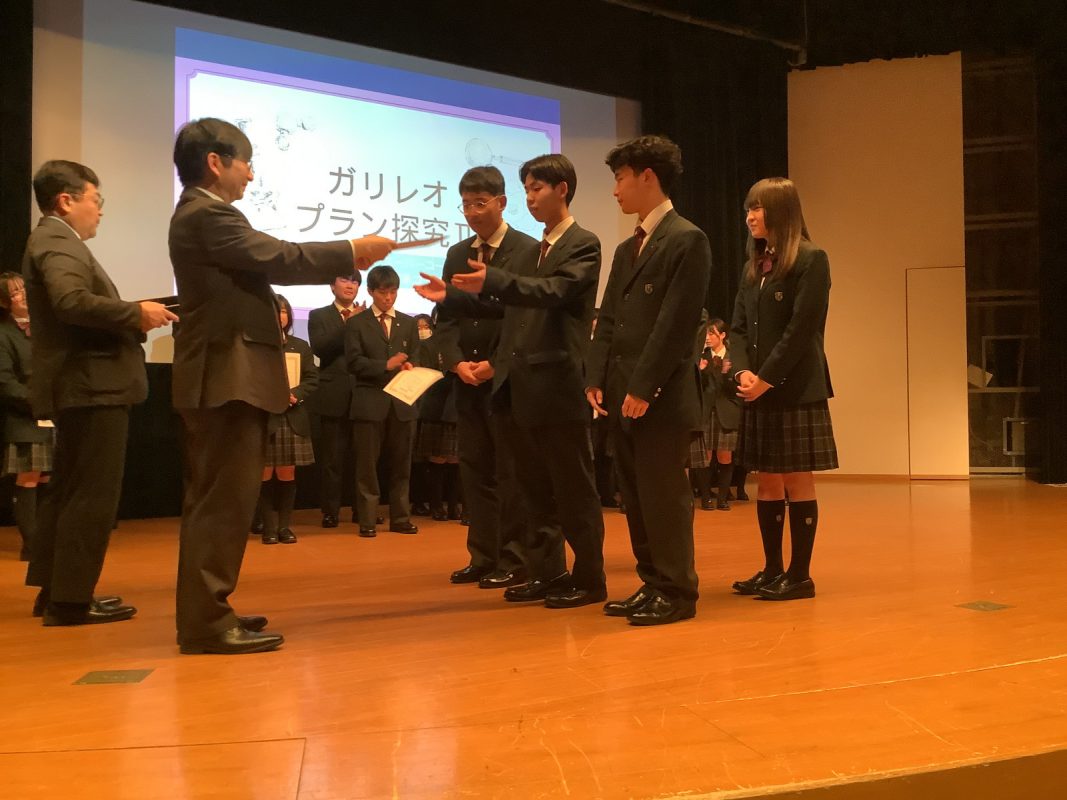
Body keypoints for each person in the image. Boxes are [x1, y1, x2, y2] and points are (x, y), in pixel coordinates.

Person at [170, 118, 394, 655]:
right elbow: (281, 256)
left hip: (226, 376)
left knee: (223, 499)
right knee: (221, 502)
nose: (251, 174)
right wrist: (352, 248)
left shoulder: (204, 215)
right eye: (246, 162)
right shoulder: (207, 214)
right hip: (224, 377)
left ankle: (211, 610)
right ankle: (205, 622)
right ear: (216, 162)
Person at [420, 153, 606, 608]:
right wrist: (452, 298)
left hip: (558, 385)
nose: (530, 198)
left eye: (536, 189)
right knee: (534, 489)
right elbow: (509, 307)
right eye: (526, 190)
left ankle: (589, 578)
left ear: (562, 189)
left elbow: (554, 292)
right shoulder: (536, 249)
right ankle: (546, 572)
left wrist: (493, 281)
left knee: (573, 489)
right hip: (523, 387)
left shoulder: (582, 243)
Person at [22, 160, 176, 626]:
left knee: (70, 490)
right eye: (96, 200)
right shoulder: (57, 240)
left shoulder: (52, 239)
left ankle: (56, 591)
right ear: (66, 201)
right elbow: (70, 302)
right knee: (91, 495)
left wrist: (136, 313)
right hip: (93, 386)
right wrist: (135, 314)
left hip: (84, 385)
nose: (101, 211)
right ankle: (71, 601)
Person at [584, 136, 712, 626]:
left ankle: (677, 591)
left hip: (659, 396)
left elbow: (676, 326)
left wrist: (643, 388)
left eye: (619, 178)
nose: (615, 190)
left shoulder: (687, 239)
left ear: (647, 177)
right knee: (634, 496)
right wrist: (596, 377)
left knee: (663, 497)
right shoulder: (627, 248)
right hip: (621, 393)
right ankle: (652, 582)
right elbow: (608, 320)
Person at [729, 177, 837, 601]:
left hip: (794, 389)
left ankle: (800, 575)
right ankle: (772, 569)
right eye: (748, 209)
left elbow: (800, 331)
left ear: (781, 211)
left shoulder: (811, 259)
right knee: (767, 481)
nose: (750, 216)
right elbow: (738, 328)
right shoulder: (753, 266)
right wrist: (742, 372)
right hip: (758, 387)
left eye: (757, 208)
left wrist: (766, 379)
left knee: (796, 480)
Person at [430, 166, 536, 588]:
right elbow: (446, 317)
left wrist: (496, 363)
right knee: (474, 470)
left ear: (501, 202)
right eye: (465, 205)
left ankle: (514, 557)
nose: (472, 212)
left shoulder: (526, 250)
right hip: (466, 380)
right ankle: (483, 555)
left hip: (505, 379)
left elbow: (523, 319)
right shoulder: (457, 253)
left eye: (480, 203)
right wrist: (456, 362)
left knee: (510, 471)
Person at [344, 265, 420, 537]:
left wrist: (410, 366)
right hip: (369, 402)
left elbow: (416, 356)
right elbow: (353, 362)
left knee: (402, 466)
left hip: (402, 403)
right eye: (383, 292)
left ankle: (400, 518)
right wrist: (385, 365)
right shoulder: (357, 323)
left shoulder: (408, 323)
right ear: (371, 291)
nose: (388, 298)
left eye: (393, 292)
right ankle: (367, 520)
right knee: (367, 467)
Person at [0, 272, 53, 562]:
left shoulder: (46, 327)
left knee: (49, 478)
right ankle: (32, 546)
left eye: (25, 289)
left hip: (54, 414)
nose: (24, 295)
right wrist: (36, 403)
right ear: (5, 302)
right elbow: (5, 381)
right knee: (29, 477)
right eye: (15, 293)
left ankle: (48, 541)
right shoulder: (4, 333)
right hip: (25, 416)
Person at [257, 294, 318, 545]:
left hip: (292, 416)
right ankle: (268, 527)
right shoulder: (256, 346)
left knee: (286, 473)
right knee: (263, 473)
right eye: (275, 311)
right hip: (264, 417)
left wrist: (296, 394)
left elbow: (312, 378)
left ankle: (284, 526)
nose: (280, 316)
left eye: (283, 311)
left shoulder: (300, 346)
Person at [307, 273, 366, 528]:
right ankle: (330, 511)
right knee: (333, 459)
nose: (350, 285)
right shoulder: (319, 315)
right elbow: (321, 348)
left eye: (355, 282)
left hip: (363, 394)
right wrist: (349, 325)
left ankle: (362, 510)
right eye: (344, 280)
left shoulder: (368, 316)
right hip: (333, 395)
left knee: (363, 458)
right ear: (332, 285)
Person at [411, 313, 461, 522]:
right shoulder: (427, 344)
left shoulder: (461, 340)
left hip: (457, 405)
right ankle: (436, 505)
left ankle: (454, 506)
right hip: (435, 405)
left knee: (456, 458)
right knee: (436, 457)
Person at [694, 318, 741, 511]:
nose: (708, 337)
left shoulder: (733, 357)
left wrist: (728, 374)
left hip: (726, 412)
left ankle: (722, 499)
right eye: (706, 333)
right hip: (705, 412)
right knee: (704, 457)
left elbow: (737, 388)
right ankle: (706, 498)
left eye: (711, 333)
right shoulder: (701, 356)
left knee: (725, 457)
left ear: (722, 335)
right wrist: (700, 371)